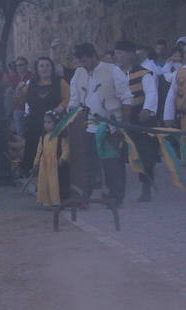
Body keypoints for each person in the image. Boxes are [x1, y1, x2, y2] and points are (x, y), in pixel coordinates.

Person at [68, 43, 132, 208]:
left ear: (93, 56)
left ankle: (115, 196)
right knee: (87, 165)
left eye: (86, 60)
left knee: (112, 163)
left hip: (110, 126)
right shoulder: (78, 73)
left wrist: (122, 124)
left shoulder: (112, 70)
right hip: (86, 126)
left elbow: (126, 98)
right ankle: (84, 197)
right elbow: (74, 100)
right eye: (81, 61)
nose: (84, 64)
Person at [113, 40, 160, 202]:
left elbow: (151, 93)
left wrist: (147, 109)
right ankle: (117, 191)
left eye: (121, 53)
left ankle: (146, 187)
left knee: (144, 154)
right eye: (116, 53)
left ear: (131, 54)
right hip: (120, 119)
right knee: (116, 155)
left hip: (139, 119)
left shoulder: (143, 73)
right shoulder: (115, 73)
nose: (118, 56)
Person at [15, 57, 70, 176]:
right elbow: (20, 100)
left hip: (54, 122)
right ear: (37, 69)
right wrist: (18, 91)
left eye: (47, 65)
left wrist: (60, 108)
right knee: (34, 147)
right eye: (42, 66)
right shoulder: (31, 84)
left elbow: (67, 98)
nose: (45, 68)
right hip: (35, 122)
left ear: (52, 67)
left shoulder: (60, 82)